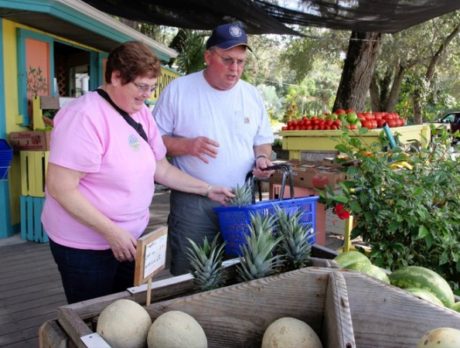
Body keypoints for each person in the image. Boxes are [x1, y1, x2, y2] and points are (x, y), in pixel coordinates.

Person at [41, 41, 234, 304]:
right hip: (86, 246)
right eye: (141, 87)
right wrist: (111, 232)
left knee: (125, 311)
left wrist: (208, 189)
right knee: (92, 317)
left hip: (130, 239)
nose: (147, 95)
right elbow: (60, 187)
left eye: (151, 88)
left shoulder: (141, 113)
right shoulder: (84, 116)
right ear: (116, 77)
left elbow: (161, 168)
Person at [153, 22, 275, 275]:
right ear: (208, 57)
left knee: (240, 271)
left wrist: (262, 158)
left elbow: (262, 140)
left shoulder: (252, 95)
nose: (235, 69)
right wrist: (186, 145)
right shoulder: (178, 90)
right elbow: (153, 143)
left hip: (241, 199)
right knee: (190, 274)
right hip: (193, 201)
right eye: (227, 60)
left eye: (241, 62)